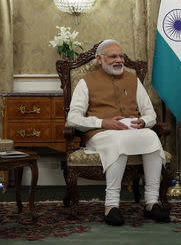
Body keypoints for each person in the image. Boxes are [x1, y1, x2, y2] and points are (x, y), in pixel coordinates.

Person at [67, 40, 170, 226]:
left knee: (152, 137)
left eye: (121, 56)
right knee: (117, 141)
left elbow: (150, 113)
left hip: (132, 131)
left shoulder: (133, 80)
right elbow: (73, 119)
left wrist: (144, 121)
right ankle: (111, 206)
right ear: (99, 59)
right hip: (101, 134)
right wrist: (102, 122)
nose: (119, 60)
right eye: (113, 56)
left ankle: (152, 203)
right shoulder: (86, 82)